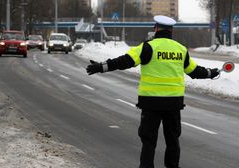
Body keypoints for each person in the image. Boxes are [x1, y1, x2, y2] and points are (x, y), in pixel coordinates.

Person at [86, 15, 220, 168]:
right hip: (173, 104)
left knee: (149, 141)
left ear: (156, 29)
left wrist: (101, 67)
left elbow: (125, 61)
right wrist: (211, 73)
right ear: (171, 31)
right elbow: (194, 71)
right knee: (172, 140)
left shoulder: (147, 47)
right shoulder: (180, 49)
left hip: (151, 103)